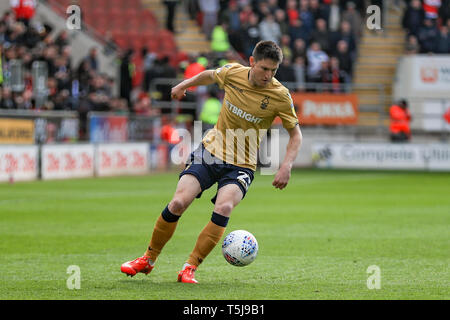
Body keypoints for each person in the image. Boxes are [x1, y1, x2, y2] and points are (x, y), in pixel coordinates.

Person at [120, 41, 303, 284]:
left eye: (273, 70)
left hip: (242, 164)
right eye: (264, 69)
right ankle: (147, 259)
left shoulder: (280, 95)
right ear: (251, 62)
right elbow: (209, 75)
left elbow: (296, 135)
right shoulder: (233, 73)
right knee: (178, 203)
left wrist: (286, 165)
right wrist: (184, 84)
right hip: (210, 152)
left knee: (224, 208)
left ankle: (189, 267)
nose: (268, 76)